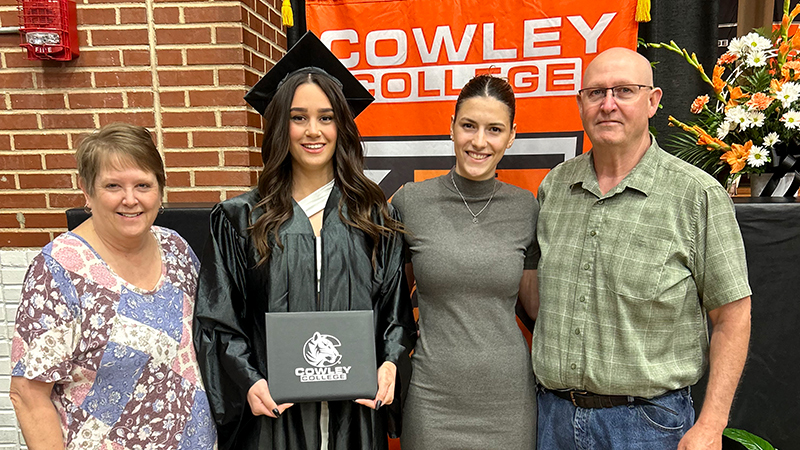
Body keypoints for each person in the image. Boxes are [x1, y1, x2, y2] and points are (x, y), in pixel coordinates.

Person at [192, 32, 416, 450]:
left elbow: (396, 313)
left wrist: (390, 364)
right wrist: (248, 380)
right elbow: (220, 321)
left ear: (341, 126)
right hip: (275, 418)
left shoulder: (373, 218)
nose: (313, 131)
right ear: (281, 125)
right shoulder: (241, 219)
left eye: (326, 117)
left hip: (354, 416)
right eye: (299, 118)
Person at [533, 47, 752, 450]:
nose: (608, 105)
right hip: (553, 420)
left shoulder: (696, 195)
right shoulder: (554, 187)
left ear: (652, 101)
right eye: (596, 93)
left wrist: (711, 425)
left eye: (624, 91)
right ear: (580, 104)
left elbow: (732, 316)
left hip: (647, 427)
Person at [9, 123, 217, 450]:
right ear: (86, 190)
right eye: (113, 185)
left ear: (160, 189)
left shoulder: (175, 249)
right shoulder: (60, 270)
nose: (130, 199)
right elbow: (28, 395)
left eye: (143, 185)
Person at [392, 74, 539, 450]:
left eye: (494, 129)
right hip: (432, 399)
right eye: (469, 126)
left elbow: (537, 309)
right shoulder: (411, 202)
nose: (479, 141)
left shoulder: (527, 208)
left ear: (511, 136)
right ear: (452, 127)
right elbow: (390, 304)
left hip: (508, 402)